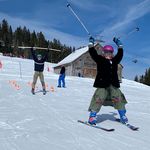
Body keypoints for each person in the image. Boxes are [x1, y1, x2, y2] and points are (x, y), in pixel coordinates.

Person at [88, 36, 128, 125]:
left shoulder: (115, 60)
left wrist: (120, 45)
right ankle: (92, 116)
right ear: (103, 52)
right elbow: (93, 53)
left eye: (110, 52)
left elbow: (120, 54)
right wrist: (91, 45)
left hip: (113, 84)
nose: (108, 54)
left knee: (118, 97)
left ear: (112, 53)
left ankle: (122, 115)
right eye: (106, 52)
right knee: (99, 97)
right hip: (102, 84)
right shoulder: (100, 59)